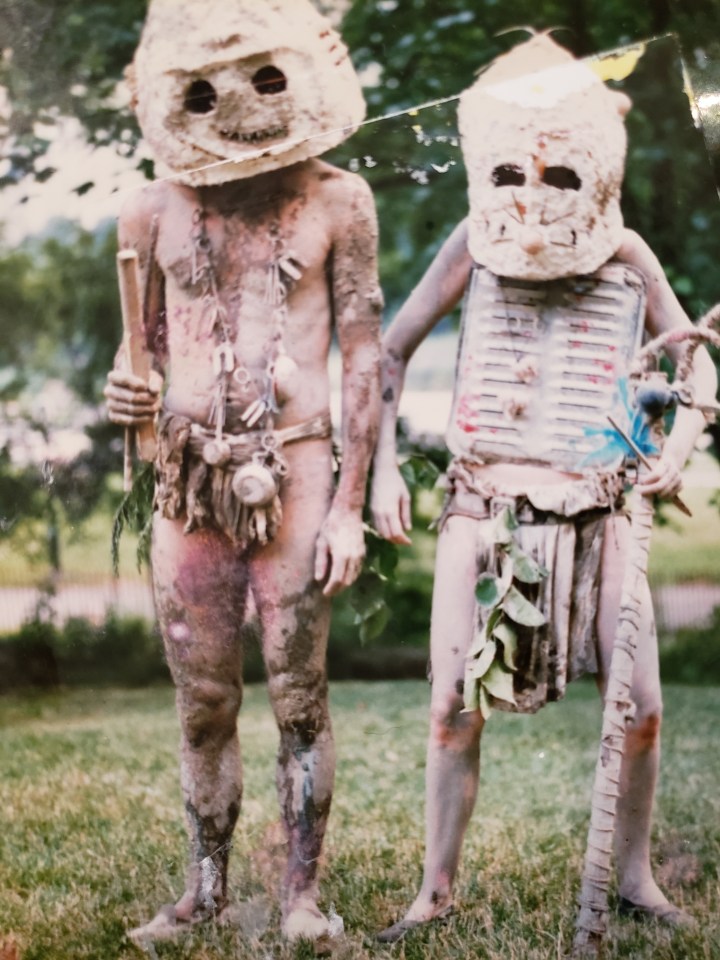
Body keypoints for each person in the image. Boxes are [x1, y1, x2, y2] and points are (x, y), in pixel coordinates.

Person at [370, 34, 717, 941]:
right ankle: (434, 891)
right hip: (485, 501)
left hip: (602, 502)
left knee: (641, 707)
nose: (531, 191)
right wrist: (378, 474)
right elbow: (391, 348)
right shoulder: (472, 245)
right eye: (512, 167)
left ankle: (634, 878)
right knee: (451, 707)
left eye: (556, 171)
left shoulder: (629, 252)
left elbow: (694, 370)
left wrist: (676, 448)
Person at [104, 0, 381, 943]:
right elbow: (135, 356)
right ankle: (204, 891)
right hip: (191, 485)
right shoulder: (145, 210)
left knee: (299, 692)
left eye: (264, 75)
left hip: (295, 469)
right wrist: (124, 398)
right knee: (204, 699)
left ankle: (302, 896)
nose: (237, 103)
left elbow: (365, 357)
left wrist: (349, 506)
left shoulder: (339, 200)